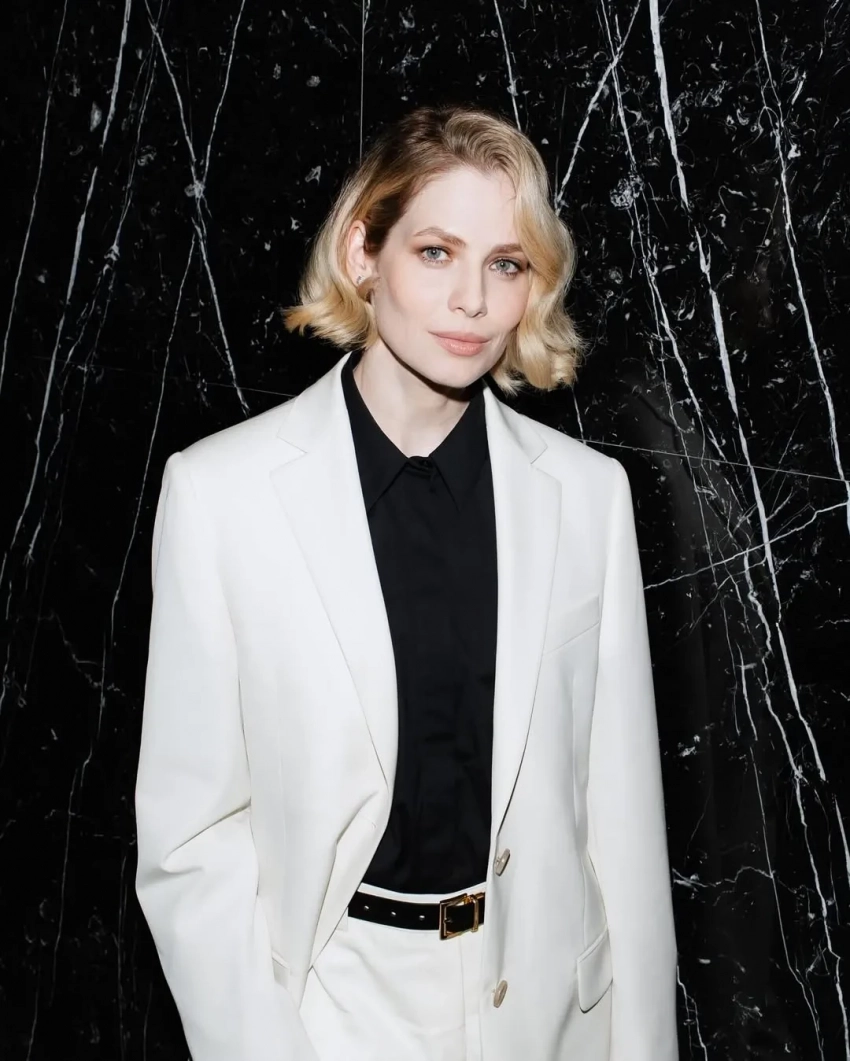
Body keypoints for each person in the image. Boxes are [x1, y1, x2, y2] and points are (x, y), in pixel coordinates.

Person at [134, 103, 679, 1061]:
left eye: (506, 263)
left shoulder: (588, 497)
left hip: (550, 1014)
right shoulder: (221, 495)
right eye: (435, 252)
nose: (472, 299)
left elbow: (625, 825)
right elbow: (190, 843)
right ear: (363, 254)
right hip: (329, 1010)